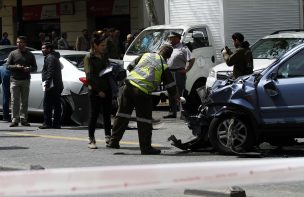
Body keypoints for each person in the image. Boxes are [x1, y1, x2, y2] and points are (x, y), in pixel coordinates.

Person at [106, 44, 179, 155]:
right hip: (142, 92)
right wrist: (176, 97)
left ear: (160, 50)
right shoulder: (163, 66)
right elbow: (170, 85)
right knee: (144, 120)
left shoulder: (146, 55)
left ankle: (113, 141)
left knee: (122, 115)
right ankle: (146, 148)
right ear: (168, 57)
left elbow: (130, 66)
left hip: (128, 87)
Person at [84, 33, 113, 149]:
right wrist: (98, 91)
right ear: (95, 45)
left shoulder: (104, 55)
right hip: (95, 90)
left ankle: (108, 137)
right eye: (102, 45)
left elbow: (106, 70)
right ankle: (91, 139)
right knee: (94, 115)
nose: (104, 47)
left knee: (107, 115)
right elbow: (89, 77)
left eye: (105, 45)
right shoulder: (89, 57)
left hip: (107, 88)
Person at [6, 36, 37, 127]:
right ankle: (15, 119)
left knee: (24, 101)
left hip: (25, 80)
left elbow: (35, 68)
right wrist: (16, 66)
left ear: (25, 44)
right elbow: (7, 66)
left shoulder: (30, 54)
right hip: (14, 80)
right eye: (18, 42)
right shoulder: (12, 53)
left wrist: (29, 68)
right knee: (14, 101)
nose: (19, 44)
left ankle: (24, 119)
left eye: (21, 42)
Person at [163, 32, 195, 119]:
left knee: (180, 93)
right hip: (169, 72)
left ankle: (183, 113)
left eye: (172, 38)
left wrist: (186, 70)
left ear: (177, 38)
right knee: (170, 92)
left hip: (178, 73)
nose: (170, 40)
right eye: (169, 38)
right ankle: (172, 112)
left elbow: (192, 59)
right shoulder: (169, 48)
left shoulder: (183, 48)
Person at [38, 43, 64, 129]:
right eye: (42, 48)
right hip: (57, 85)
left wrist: (47, 83)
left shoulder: (50, 58)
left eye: (44, 48)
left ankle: (47, 123)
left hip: (52, 86)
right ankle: (56, 123)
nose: (42, 50)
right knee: (56, 105)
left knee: (47, 104)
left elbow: (50, 71)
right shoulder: (54, 57)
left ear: (49, 49)